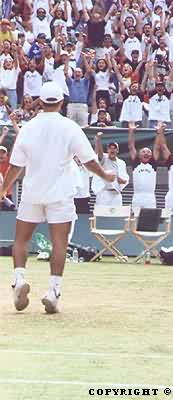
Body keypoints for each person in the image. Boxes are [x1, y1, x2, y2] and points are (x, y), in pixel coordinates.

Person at [0, 82, 116, 314]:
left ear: (40, 103)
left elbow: (15, 166)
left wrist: (3, 190)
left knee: (21, 239)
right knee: (59, 243)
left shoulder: (28, 128)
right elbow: (89, 161)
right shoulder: (70, 127)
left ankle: (19, 280)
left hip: (32, 192)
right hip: (60, 194)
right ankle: (53, 292)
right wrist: (105, 175)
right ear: (62, 102)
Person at [128, 121, 161, 209]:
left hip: (150, 198)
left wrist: (159, 132)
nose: (146, 153)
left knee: (150, 222)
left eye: (148, 152)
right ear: (139, 155)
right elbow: (131, 146)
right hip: (137, 197)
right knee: (135, 220)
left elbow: (157, 146)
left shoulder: (153, 164)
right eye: (143, 152)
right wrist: (131, 131)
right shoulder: (136, 163)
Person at [92, 132, 129, 206]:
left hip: (116, 194)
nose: (112, 150)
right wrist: (98, 140)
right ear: (107, 150)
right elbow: (100, 153)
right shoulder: (104, 159)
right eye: (110, 148)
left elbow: (125, 180)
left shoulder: (121, 163)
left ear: (117, 151)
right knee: (102, 215)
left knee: (117, 215)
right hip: (104, 193)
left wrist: (122, 180)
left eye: (114, 148)